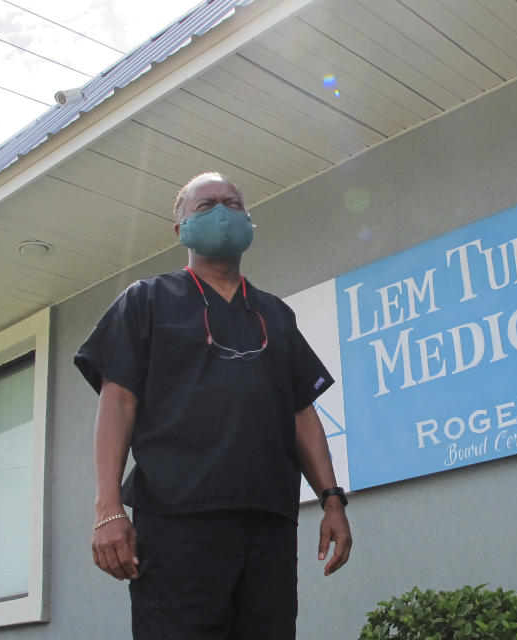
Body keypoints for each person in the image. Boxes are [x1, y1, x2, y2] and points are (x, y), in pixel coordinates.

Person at [74, 172, 352, 639]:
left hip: (269, 526)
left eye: (233, 203)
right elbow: (117, 402)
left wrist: (332, 500)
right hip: (178, 524)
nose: (222, 212)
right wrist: (108, 510)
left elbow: (302, 413)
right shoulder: (146, 300)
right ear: (180, 229)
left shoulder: (276, 315)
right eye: (205, 206)